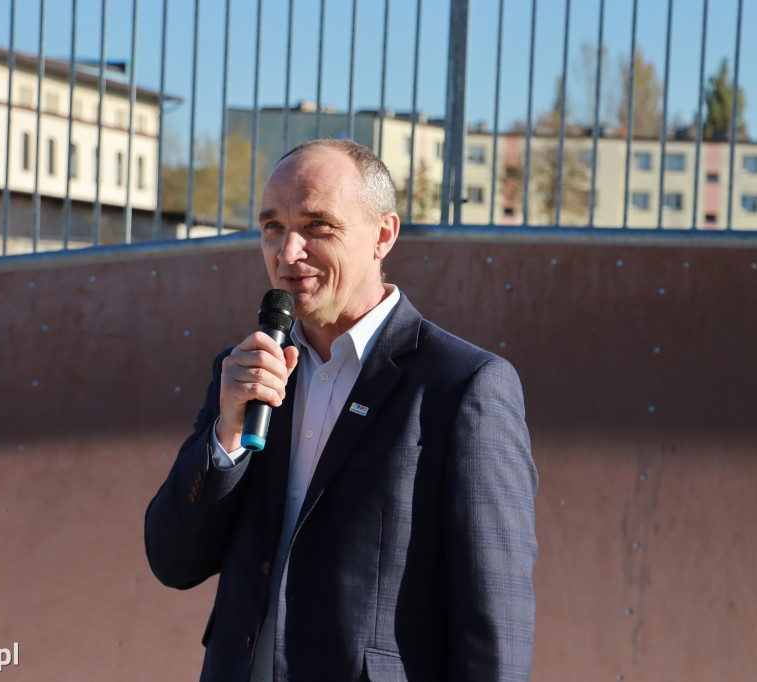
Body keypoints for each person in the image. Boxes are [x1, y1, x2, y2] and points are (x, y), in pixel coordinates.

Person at [145, 139, 537, 682]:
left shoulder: (463, 386)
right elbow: (173, 561)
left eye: (317, 227)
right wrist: (225, 437)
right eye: (272, 228)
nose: (287, 253)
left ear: (383, 235)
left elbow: (495, 624)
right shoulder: (245, 374)